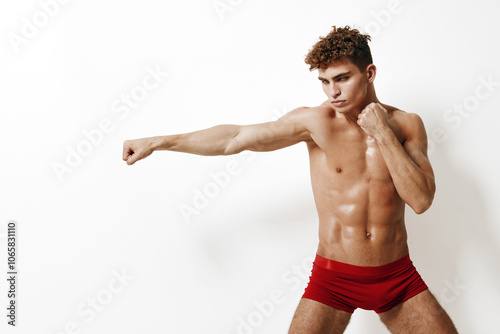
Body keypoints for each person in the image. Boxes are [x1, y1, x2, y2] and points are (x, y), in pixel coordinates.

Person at [122, 25, 459, 333]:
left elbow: (421, 201)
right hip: (333, 279)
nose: (333, 92)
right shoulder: (315, 122)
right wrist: (159, 142)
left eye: (342, 78)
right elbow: (235, 138)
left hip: (396, 278)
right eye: (324, 82)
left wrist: (382, 134)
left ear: (369, 73)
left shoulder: (407, 125)